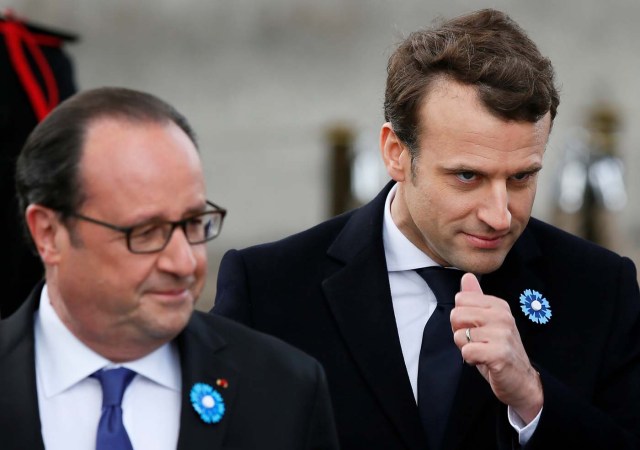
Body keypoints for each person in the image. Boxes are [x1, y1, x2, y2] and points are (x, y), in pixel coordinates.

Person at [212, 9, 640, 450]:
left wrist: (533, 398)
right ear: (396, 153)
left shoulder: (600, 289)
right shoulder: (268, 289)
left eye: (521, 178)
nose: (500, 214)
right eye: (467, 177)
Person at [0, 87, 339, 450]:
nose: (184, 262)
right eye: (145, 232)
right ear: (49, 233)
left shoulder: (283, 389)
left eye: (194, 224)